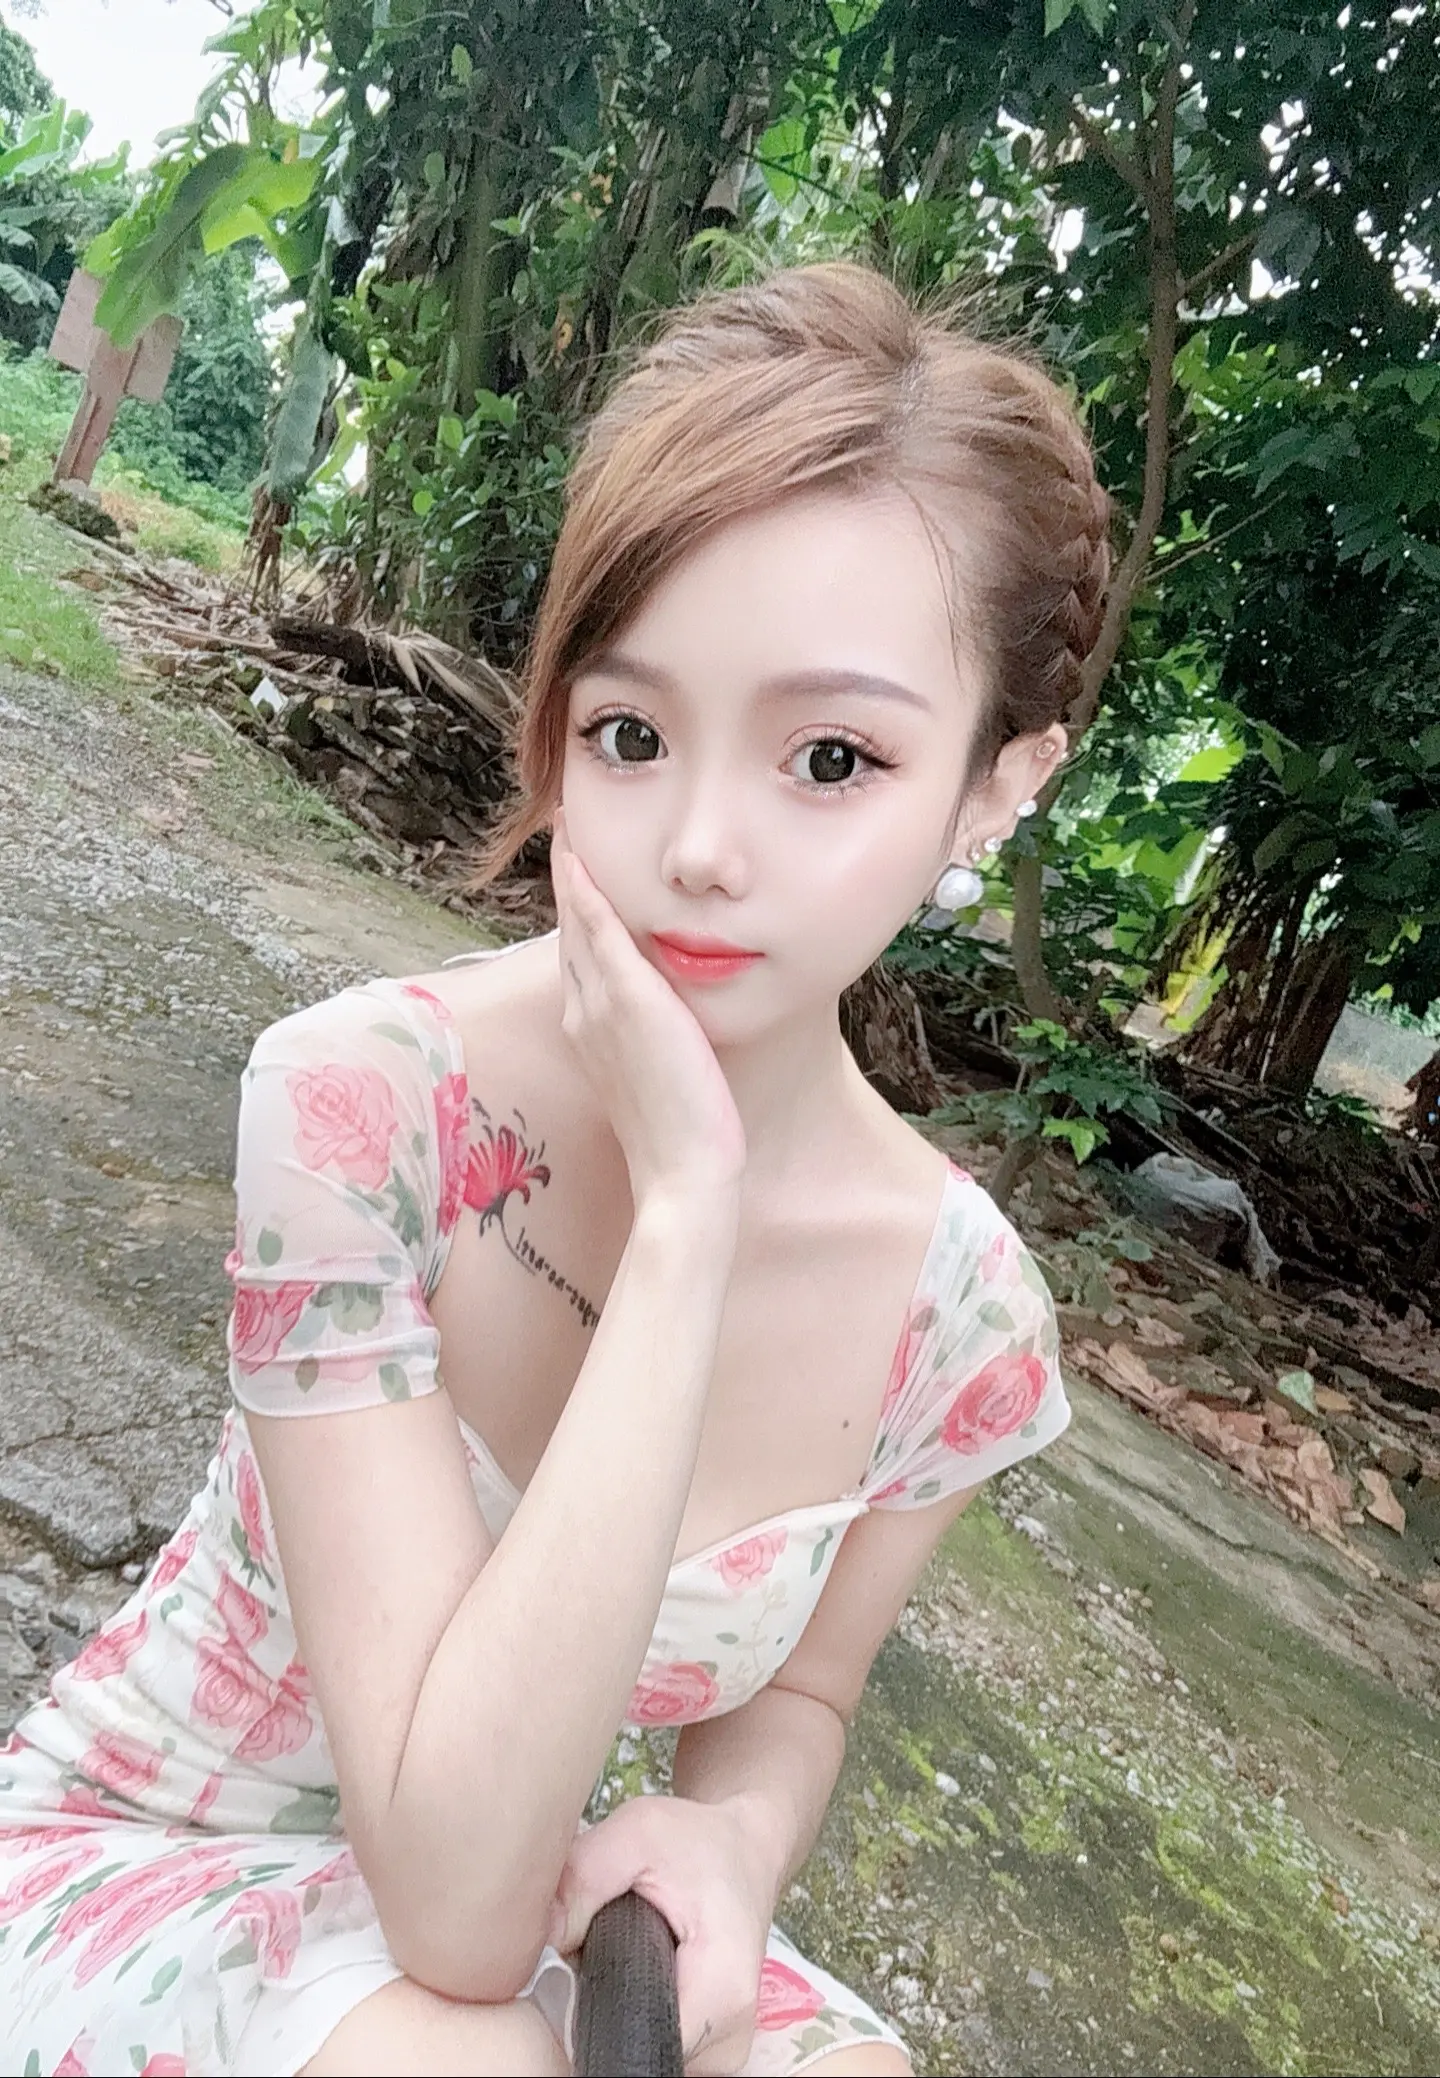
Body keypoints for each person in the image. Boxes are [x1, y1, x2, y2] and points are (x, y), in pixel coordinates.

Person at [0, 259, 1111, 2078]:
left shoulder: (960, 1319)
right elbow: (446, 1900)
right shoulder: (366, 1103)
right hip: (165, 1855)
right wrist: (689, 1222)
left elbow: (800, 1692)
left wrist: (736, 1843)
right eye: (631, 733)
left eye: (832, 756)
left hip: (539, 1884)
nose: (700, 845)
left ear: (999, 782)